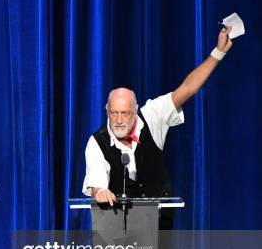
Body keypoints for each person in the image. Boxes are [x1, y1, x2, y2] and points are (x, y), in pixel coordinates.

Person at [83, 26, 234, 203]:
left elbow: (188, 88)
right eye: (113, 113)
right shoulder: (97, 142)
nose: (118, 120)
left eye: (125, 113)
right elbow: (96, 184)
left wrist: (218, 53)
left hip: (158, 221)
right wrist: (101, 192)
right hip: (116, 224)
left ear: (135, 109)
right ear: (106, 110)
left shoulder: (152, 116)